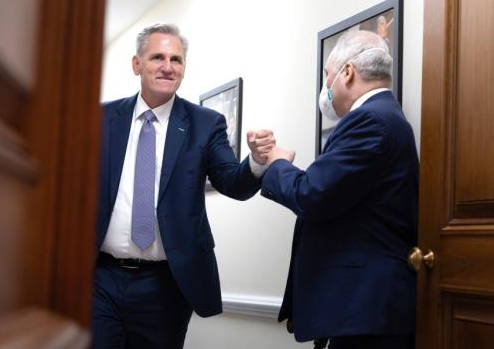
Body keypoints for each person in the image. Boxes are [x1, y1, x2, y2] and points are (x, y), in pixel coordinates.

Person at [93, 22, 274, 348]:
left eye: (176, 60)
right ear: (137, 64)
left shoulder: (205, 124)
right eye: (157, 57)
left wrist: (257, 162)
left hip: (165, 285)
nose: (167, 67)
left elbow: (234, 183)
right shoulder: (101, 119)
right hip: (100, 278)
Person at [256, 30, 418, 349]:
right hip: (364, 309)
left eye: (327, 76)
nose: (325, 88)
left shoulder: (371, 121)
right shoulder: (384, 118)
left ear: (347, 72)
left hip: (366, 310)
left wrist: (278, 164)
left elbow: (312, 195)